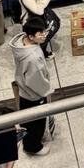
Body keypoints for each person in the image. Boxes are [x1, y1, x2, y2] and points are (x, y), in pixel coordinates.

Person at [12, 16, 53, 155]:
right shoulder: (33, 58)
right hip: (33, 94)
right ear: (31, 36)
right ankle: (33, 147)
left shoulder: (21, 44)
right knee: (36, 122)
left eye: (44, 31)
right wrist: (47, 90)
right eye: (40, 33)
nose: (44, 35)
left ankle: (30, 142)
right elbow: (35, 81)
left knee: (27, 120)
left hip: (23, 90)